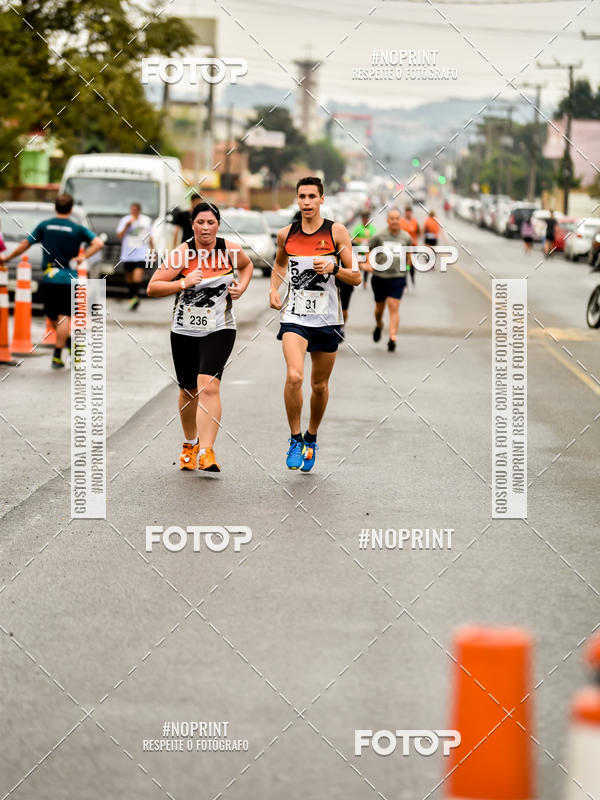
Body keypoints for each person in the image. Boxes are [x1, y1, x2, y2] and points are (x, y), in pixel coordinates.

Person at [147, 202, 253, 472]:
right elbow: (153, 287)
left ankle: (207, 451)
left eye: (211, 223)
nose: (206, 228)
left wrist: (242, 286)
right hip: (184, 330)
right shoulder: (182, 253)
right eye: (200, 223)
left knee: (209, 385)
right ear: (192, 225)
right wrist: (183, 282)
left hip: (220, 328)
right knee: (188, 390)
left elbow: (248, 264)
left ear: (218, 225)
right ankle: (190, 444)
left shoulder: (229, 250)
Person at [269, 176, 361, 472]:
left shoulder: (336, 232)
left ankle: (311, 435)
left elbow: (356, 276)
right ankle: (295, 439)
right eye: (302, 196)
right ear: (297, 200)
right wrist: (274, 288)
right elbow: (280, 264)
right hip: (295, 316)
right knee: (294, 377)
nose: (306, 202)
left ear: (322, 199)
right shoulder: (286, 234)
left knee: (319, 385)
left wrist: (335, 267)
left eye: (312, 196)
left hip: (327, 319)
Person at [0, 193, 103, 369]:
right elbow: (99, 243)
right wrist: (83, 257)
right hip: (69, 278)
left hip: (50, 277)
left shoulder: (45, 226)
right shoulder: (77, 228)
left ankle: (57, 355)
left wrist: (8, 257)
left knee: (52, 316)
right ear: (70, 209)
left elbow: (25, 244)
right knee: (63, 317)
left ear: (56, 207)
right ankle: (68, 347)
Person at [367, 208, 412, 352]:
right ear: (388, 220)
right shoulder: (380, 235)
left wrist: (407, 268)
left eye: (397, 218)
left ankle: (392, 337)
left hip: (397, 277)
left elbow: (409, 253)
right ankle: (379, 325)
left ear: (401, 220)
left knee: (393, 306)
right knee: (379, 308)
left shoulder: (406, 237)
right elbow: (368, 249)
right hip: (380, 277)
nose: (394, 221)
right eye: (392, 218)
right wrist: (370, 264)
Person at [116, 202, 154, 310]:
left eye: (135, 209)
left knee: (137, 276)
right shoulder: (125, 220)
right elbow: (119, 235)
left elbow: (151, 237)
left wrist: (153, 251)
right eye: (131, 209)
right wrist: (127, 226)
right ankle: (132, 297)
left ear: (139, 210)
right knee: (129, 279)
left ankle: (136, 297)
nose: (133, 211)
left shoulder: (146, 220)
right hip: (128, 254)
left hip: (141, 252)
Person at [350, 209, 376, 292]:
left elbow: (374, 238)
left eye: (366, 219)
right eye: (363, 219)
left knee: (366, 266)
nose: (365, 220)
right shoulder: (358, 228)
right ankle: (357, 279)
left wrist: (368, 240)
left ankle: (364, 282)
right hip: (359, 250)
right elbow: (353, 238)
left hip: (368, 251)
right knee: (358, 266)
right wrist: (361, 240)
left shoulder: (372, 228)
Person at [400, 205, 421, 287]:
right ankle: (404, 282)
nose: (408, 214)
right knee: (404, 264)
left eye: (409, 212)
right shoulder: (401, 221)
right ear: (405, 212)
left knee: (411, 265)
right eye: (406, 212)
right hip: (404, 246)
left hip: (413, 246)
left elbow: (419, 231)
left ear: (411, 213)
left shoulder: (414, 222)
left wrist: (416, 239)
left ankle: (412, 278)